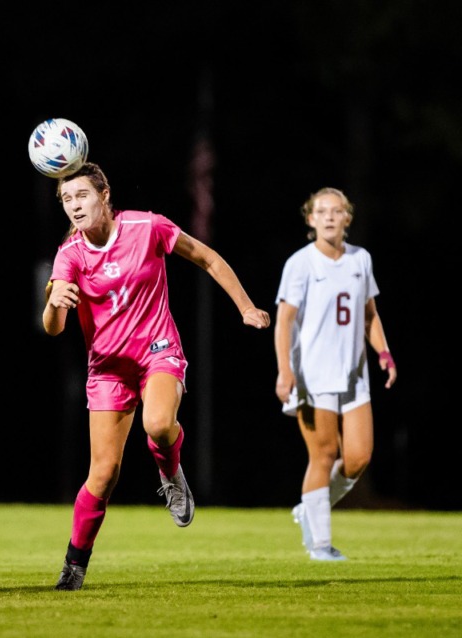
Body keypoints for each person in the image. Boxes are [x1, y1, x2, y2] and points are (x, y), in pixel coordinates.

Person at [42, 162, 270, 591]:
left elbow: (207, 257)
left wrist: (245, 306)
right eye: (67, 199)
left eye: (82, 196)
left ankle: (170, 472)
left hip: (157, 352)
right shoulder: (70, 253)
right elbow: (53, 327)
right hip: (108, 369)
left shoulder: (148, 227)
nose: (74, 205)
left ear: (105, 195)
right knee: (103, 474)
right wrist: (56, 301)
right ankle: (74, 565)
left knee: (159, 423)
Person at [274, 187, 396, 562]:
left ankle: (312, 505)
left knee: (358, 458)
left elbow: (369, 314)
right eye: (322, 211)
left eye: (337, 210)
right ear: (310, 219)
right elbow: (284, 322)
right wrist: (284, 371)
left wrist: (385, 354)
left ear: (348, 218)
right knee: (324, 455)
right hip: (313, 375)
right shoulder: (301, 263)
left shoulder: (361, 259)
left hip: (353, 376)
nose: (329, 216)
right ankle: (320, 545)